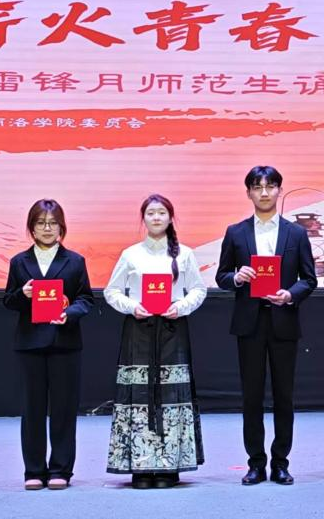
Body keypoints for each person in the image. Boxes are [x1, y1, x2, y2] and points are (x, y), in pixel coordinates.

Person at [215, 166, 317, 485]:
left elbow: (309, 279)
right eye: (257, 187)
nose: (264, 192)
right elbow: (221, 276)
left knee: (284, 396)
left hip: (283, 320)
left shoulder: (296, 233)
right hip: (250, 323)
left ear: (279, 191)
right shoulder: (236, 232)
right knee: (252, 396)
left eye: (270, 186)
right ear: (248, 193)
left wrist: (290, 294)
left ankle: (281, 462)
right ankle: (256, 463)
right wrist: (237, 277)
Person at [103, 194, 207, 489]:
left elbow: (198, 290)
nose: (157, 217)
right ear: (144, 218)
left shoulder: (184, 254)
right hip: (139, 329)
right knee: (138, 397)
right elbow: (112, 291)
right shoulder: (131, 254)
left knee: (172, 396)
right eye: (151, 213)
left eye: (162, 212)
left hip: (172, 329)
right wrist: (132, 306)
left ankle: (169, 466)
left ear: (170, 218)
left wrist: (180, 307)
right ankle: (140, 466)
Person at [3, 199, 94, 490]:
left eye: (53, 223)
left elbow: (86, 299)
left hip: (65, 342)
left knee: (64, 409)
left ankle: (60, 470)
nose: (47, 228)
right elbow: (8, 300)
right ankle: (33, 470)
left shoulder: (75, 261)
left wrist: (70, 313)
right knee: (32, 409)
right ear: (31, 228)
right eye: (41, 223)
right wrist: (23, 294)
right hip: (29, 343)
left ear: (61, 227)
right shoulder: (19, 262)